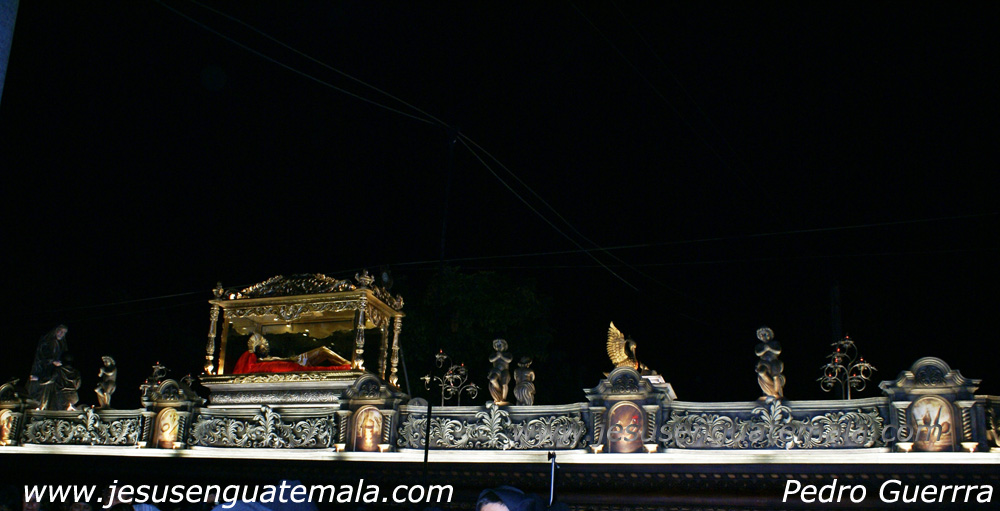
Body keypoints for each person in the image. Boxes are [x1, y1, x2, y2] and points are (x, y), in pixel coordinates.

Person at [232, 333, 351, 374]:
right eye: (263, 347)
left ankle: (347, 364)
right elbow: (275, 360)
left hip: (295, 360)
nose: (266, 348)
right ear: (257, 349)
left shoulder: (264, 360)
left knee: (323, 352)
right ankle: (348, 364)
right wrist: (290, 360)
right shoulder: (261, 361)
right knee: (323, 351)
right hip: (297, 362)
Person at [28, 325, 81, 410]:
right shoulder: (47, 341)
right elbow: (42, 355)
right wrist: (52, 361)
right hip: (44, 370)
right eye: (60, 331)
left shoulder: (62, 344)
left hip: (54, 373)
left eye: (64, 333)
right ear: (55, 330)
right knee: (41, 391)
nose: (62, 334)